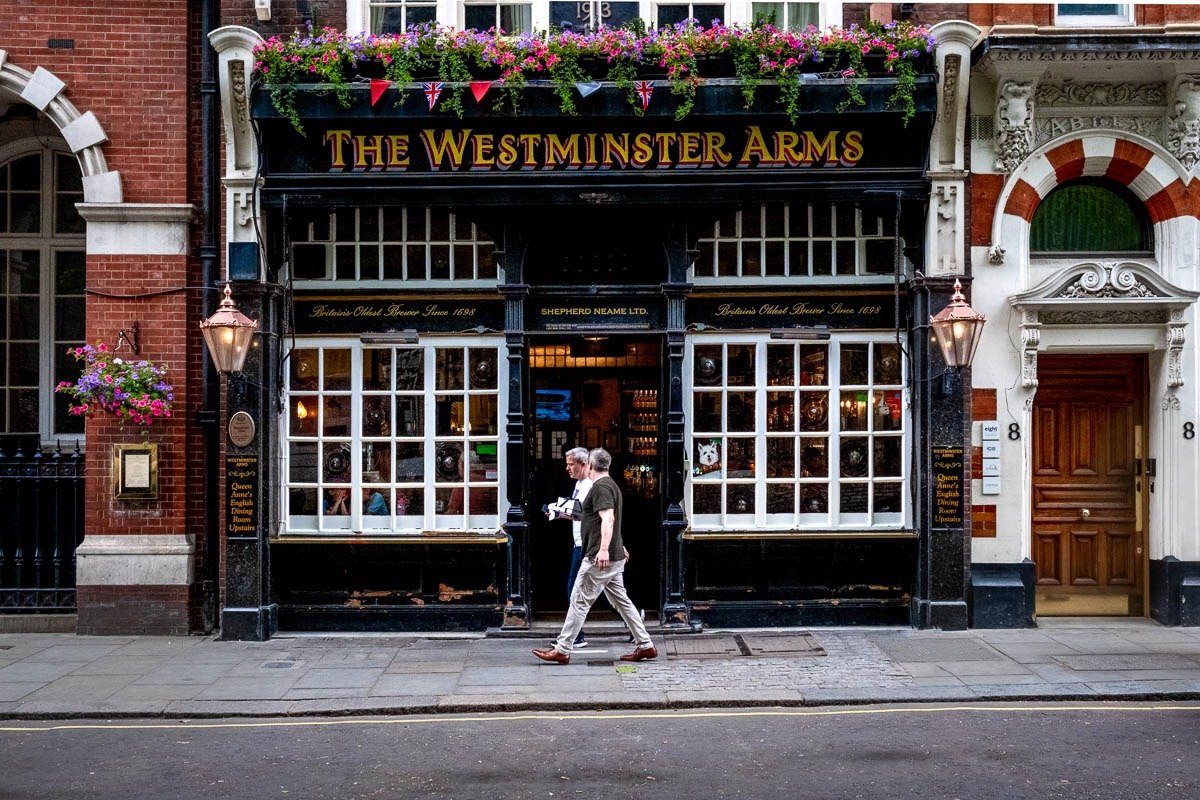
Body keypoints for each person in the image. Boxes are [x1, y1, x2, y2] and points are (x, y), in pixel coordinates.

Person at [532, 448, 657, 665]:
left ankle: (562, 648)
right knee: (622, 601)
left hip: (599, 557)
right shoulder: (610, 486)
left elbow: (608, 519)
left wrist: (604, 550)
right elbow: (598, 518)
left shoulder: (600, 488)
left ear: (590, 464)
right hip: (612, 556)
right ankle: (645, 645)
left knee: (579, 599)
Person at [545, 446, 593, 650]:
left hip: (585, 544)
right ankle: (635, 624)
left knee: (573, 589)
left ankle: (575, 636)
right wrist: (557, 512)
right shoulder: (580, 484)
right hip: (581, 542)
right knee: (610, 592)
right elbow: (576, 511)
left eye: (571, 464)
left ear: (583, 464)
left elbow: (582, 514)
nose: (567, 468)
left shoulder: (588, 486)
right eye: (567, 464)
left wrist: (556, 512)